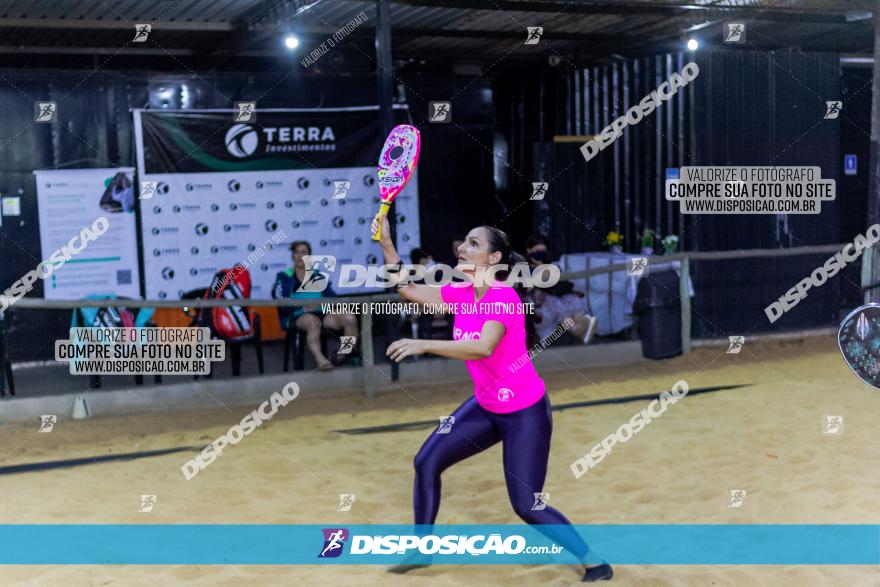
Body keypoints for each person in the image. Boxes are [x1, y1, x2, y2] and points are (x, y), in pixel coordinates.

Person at [371, 215, 613, 582]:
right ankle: (421, 550)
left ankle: (595, 561)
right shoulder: (462, 293)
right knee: (426, 462)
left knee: (527, 505)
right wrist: (387, 245)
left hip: (524, 413)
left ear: (494, 258)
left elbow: (482, 347)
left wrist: (422, 343)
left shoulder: (503, 298)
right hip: (486, 406)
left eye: (473, 244)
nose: (462, 249)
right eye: (463, 242)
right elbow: (407, 290)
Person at [272, 240, 358, 371]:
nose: (300, 256)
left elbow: (332, 298)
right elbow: (280, 300)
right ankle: (320, 359)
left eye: (304, 252)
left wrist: (322, 303)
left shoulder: (317, 275)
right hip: (298, 315)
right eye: (297, 252)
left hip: (322, 312)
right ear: (292, 255)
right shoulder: (284, 277)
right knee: (313, 322)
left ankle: (341, 356)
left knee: (350, 318)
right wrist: (302, 306)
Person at [525, 234, 597, 345]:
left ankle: (579, 327)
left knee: (573, 300)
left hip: (554, 298)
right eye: (537, 250)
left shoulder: (551, 266)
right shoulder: (523, 268)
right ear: (529, 250)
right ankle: (579, 329)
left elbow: (562, 285)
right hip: (535, 305)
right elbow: (524, 289)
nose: (540, 254)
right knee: (555, 305)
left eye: (543, 251)